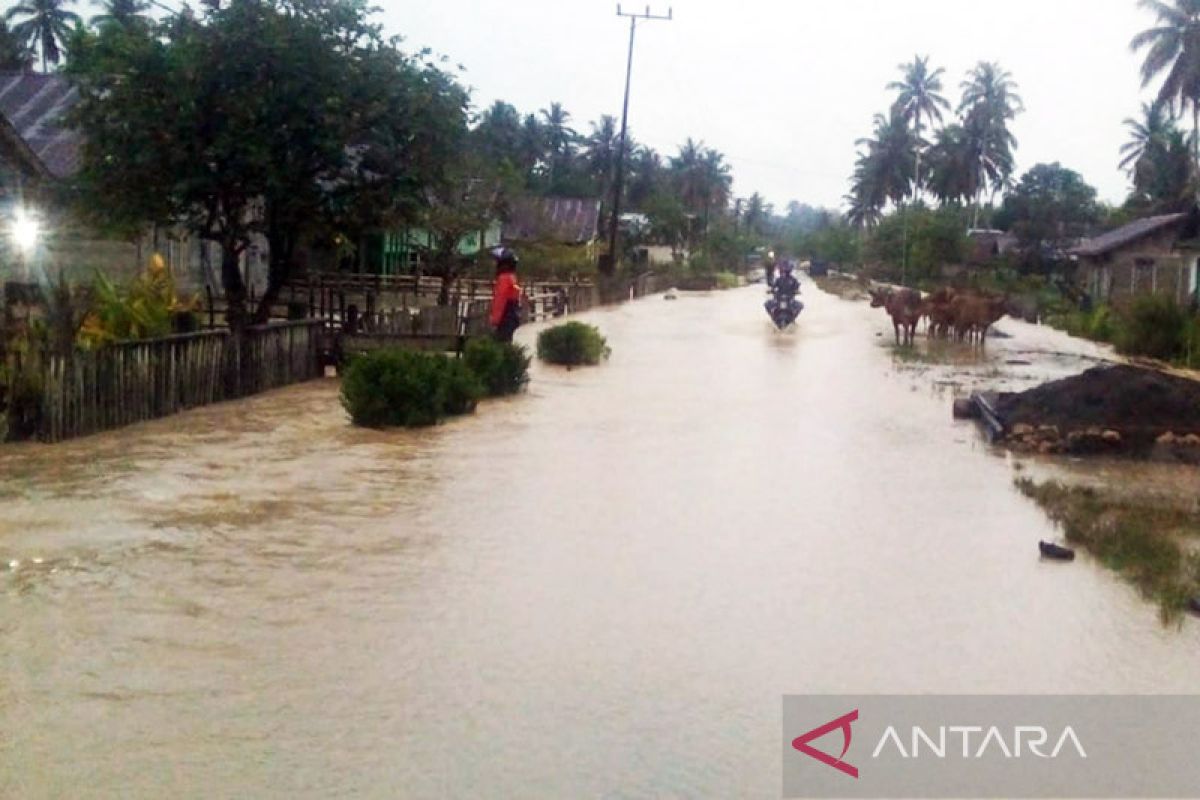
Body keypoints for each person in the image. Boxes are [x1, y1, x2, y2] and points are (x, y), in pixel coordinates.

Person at [489, 247, 522, 342]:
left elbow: (500, 300)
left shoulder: (503, 279)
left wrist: (495, 320)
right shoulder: (512, 277)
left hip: (505, 317)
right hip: (512, 315)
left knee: (501, 343)